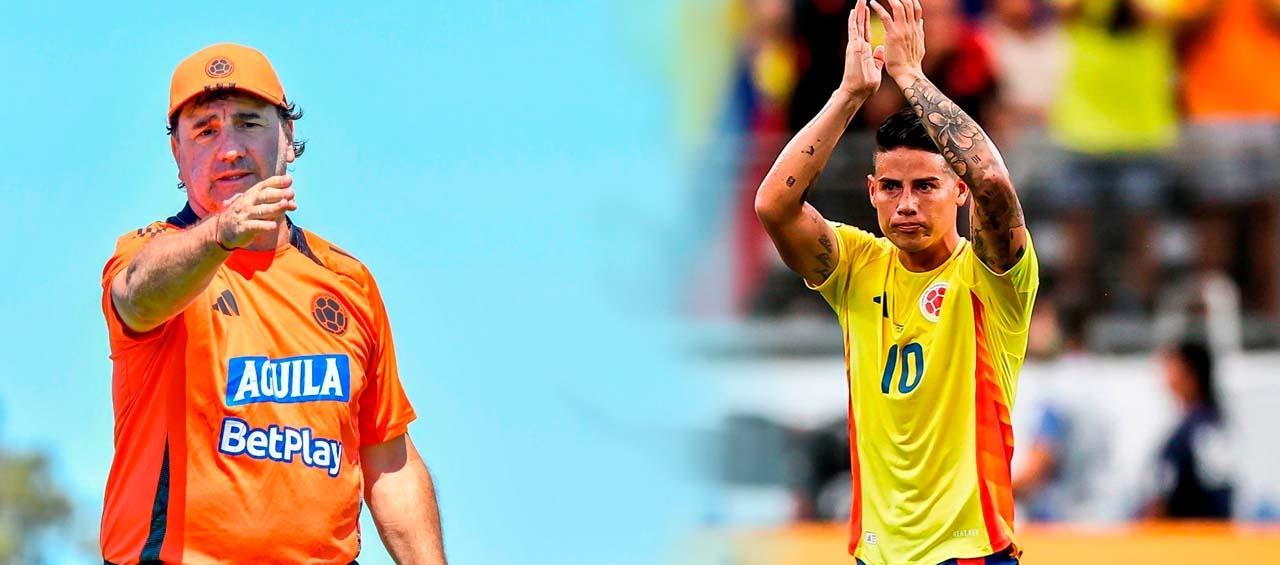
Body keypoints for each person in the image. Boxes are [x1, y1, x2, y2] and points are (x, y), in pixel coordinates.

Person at [99, 44, 446, 564]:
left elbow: (387, 459)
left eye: (248, 123)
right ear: (177, 152)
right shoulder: (148, 254)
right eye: (205, 130)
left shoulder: (346, 280)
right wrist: (222, 234)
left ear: (288, 137)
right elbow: (138, 297)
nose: (230, 148)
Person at [754, 1, 1037, 563]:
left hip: (972, 551)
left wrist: (910, 76)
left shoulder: (992, 277)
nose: (906, 204)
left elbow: (991, 178)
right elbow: (774, 205)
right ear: (871, 191)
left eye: (926, 186)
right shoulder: (858, 265)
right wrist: (849, 95)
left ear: (958, 192)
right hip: (875, 553)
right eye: (890, 187)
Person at [1142, 341, 1235, 519]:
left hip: (1194, 535)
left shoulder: (1203, 428)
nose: (1165, 376)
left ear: (1190, 374)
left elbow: (1217, 490)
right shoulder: (1196, 423)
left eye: (1172, 368)